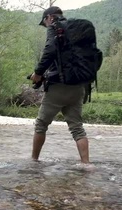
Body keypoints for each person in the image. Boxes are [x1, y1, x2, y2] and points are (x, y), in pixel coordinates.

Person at [29, 6, 90, 164]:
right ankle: (86, 164)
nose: (46, 26)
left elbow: (50, 50)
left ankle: (34, 162)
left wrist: (38, 73)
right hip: (78, 86)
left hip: (58, 87)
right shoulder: (75, 30)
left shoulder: (54, 27)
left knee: (41, 125)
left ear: (49, 17)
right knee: (77, 128)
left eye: (44, 22)